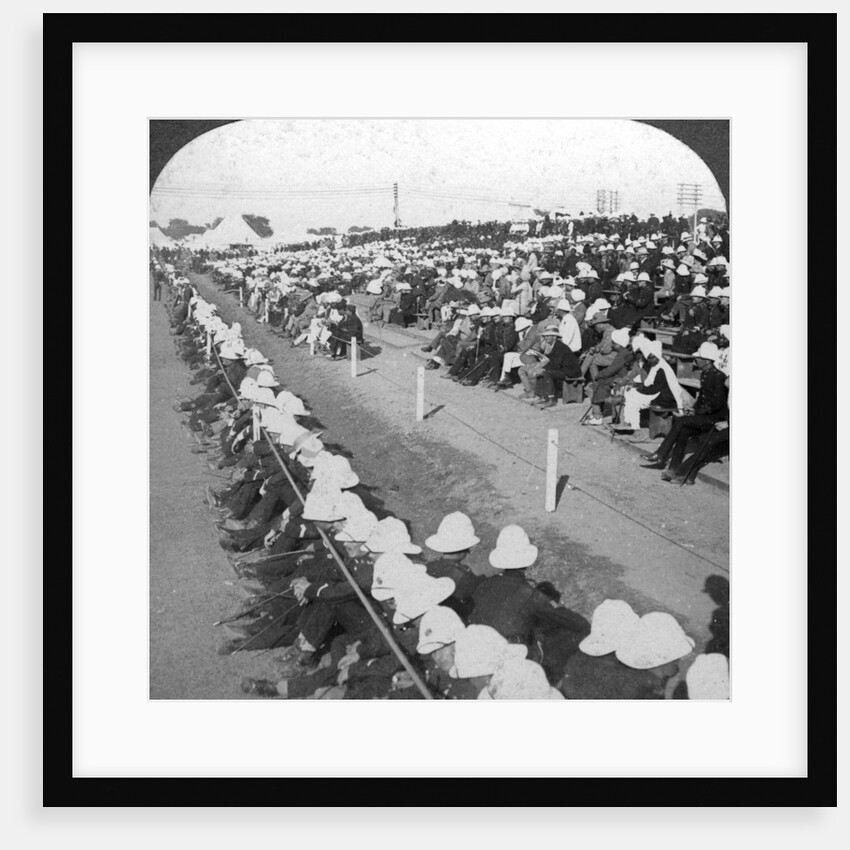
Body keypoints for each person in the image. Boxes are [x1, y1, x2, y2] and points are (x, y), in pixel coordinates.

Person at [642, 343, 729, 481]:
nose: (695, 360)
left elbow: (717, 405)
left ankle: (661, 454)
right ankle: (673, 469)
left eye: (698, 358)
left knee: (681, 421)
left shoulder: (718, 376)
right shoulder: (705, 373)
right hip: (704, 416)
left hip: (714, 418)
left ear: (707, 360)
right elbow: (702, 398)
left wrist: (697, 411)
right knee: (683, 430)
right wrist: (694, 409)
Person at [529, 324, 582, 409]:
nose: (546, 338)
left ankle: (551, 400)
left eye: (548, 336)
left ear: (554, 337)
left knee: (546, 373)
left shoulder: (560, 347)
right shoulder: (553, 345)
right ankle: (540, 395)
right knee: (542, 372)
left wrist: (543, 369)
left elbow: (556, 364)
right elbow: (553, 362)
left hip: (570, 371)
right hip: (563, 368)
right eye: (544, 336)